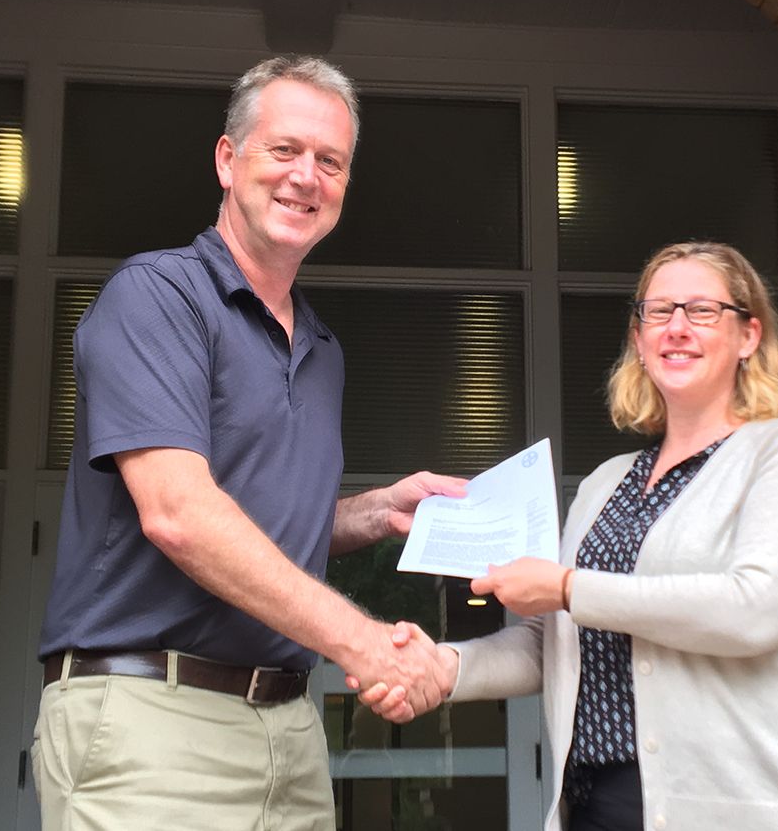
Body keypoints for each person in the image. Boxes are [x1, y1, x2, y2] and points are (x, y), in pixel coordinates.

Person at [33, 55, 461, 830]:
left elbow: (260, 523)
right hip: (150, 719)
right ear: (228, 160)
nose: (307, 176)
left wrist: (372, 513)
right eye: (284, 150)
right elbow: (180, 515)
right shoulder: (157, 296)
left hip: (289, 730)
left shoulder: (323, 349)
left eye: (330, 161)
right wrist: (364, 643)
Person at [364, 241, 778, 830]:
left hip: (759, 802)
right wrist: (443, 668)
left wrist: (566, 586)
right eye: (658, 312)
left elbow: (754, 609)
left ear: (748, 337)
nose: (677, 327)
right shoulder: (606, 483)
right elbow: (555, 640)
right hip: (601, 804)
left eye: (703, 311)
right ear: (638, 339)